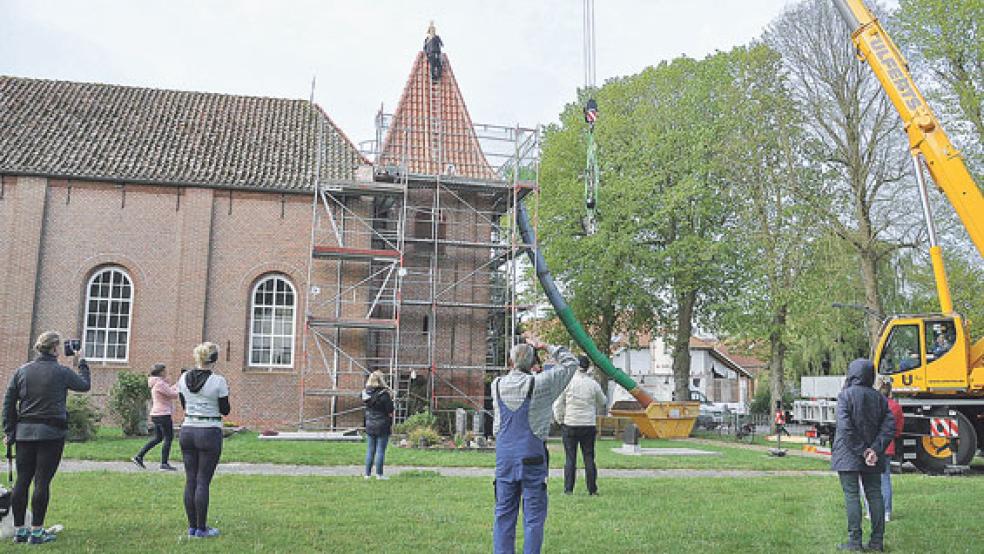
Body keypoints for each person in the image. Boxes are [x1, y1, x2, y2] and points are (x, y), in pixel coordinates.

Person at [492, 337, 579, 554]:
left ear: (510, 362)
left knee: (503, 515)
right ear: (532, 364)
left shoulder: (496, 385)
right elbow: (571, 363)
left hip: (505, 459)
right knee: (533, 518)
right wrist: (546, 345)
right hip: (532, 457)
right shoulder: (541, 383)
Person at [2, 331, 90, 544]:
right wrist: (82, 362)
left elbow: (8, 402)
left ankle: (20, 531)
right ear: (54, 349)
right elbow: (84, 385)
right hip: (51, 434)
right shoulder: (61, 372)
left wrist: (9, 431)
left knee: (22, 481)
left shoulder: (21, 371)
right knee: (42, 482)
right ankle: (38, 532)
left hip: (24, 433)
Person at [831, 359, 896, 552]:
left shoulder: (845, 396)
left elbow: (845, 427)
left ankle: (855, 542)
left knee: (852, 495)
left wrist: (863, 450)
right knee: (874, 494)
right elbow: (889, 427)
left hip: (848, 453)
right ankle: (877, 542)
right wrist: (874, 450)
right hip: (873, 455)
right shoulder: (881, 399)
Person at [177, 342, 230, 539]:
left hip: (188, 429)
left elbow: (184, 404)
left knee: (190, 479)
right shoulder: (218, 381)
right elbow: (225, 410)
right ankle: (202, 529)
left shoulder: (183, 378)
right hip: (209, 431)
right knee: (202, 481)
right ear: (214, 359)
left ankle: (191, 527)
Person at [552, 355, 606, 496]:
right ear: (588, 368)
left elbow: (558, 404)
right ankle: (592, 489)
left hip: (570, 423)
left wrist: (560, 420)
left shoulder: (567, 382)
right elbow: (603, 401)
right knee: (589, 457)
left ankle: (568, 489)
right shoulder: (593, 384)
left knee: (570, 458)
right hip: (588, 424)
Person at [864, 378, 904, 523]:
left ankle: (869, 510)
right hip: (888, 447)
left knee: (867, 480)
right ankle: (886, 511)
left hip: (871, 445)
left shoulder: (871, 404)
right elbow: (898, 430)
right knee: (885, 479)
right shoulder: (896, 407)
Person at [132, 363, 179, 471]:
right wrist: (180, 386)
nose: (166, 372)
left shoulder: (156, 383)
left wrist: (176, 384)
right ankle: (164, 463)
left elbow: (168, 391)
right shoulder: (159, 384)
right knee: (168, 438)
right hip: (163, 414)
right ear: (161, 372)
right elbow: (173, 394)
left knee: (158, 438)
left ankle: (139, 457)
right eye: (165, 370)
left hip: (157, 414)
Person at [362, 370, 394, 480]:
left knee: (370, 450)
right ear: (381, 380)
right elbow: (390, 409)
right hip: (382, 424)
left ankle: (367, 474)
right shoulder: (384, 394)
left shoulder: (366, 393)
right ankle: (379, 475)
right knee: (380, 450)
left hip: (370, 423)